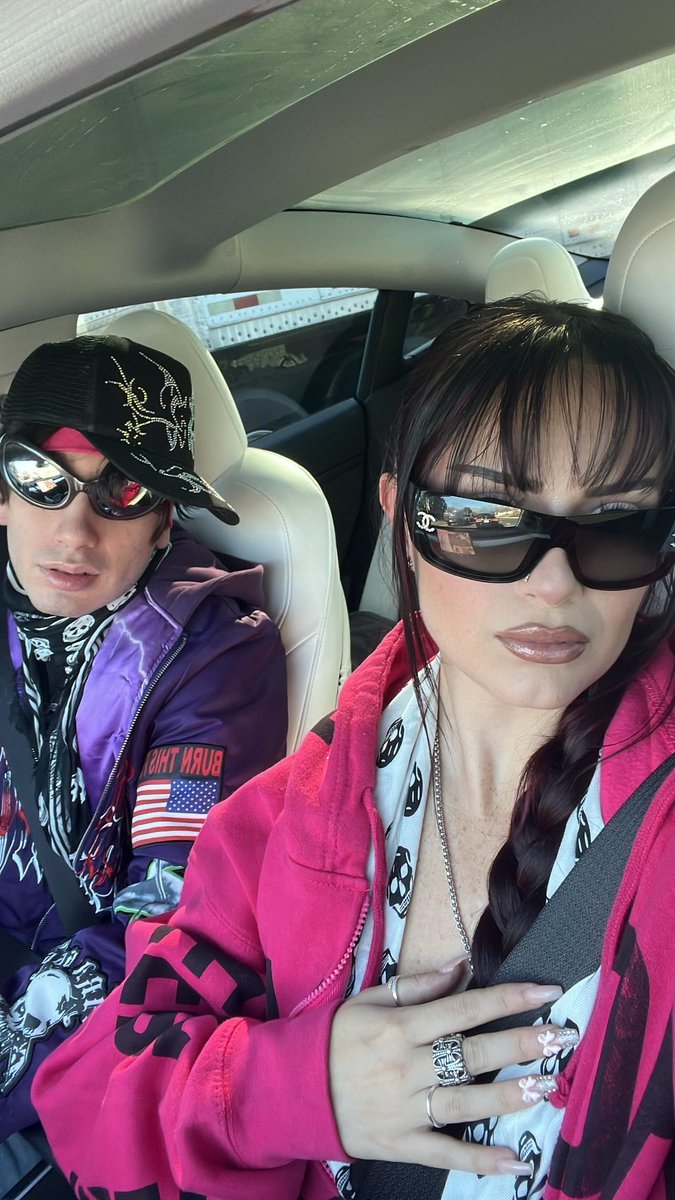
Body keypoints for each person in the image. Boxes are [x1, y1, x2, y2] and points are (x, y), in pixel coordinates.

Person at [32, 298, 675, 1199]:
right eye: (485, 516)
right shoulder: (284, 819)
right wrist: (296, 1088)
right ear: (399, 521)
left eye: (616, 522)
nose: (554, 583)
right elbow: (91, 1097)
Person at [0, 334, 287, 1195]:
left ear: (164, 518)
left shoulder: (211, 657)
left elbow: (164, 911)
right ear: (2, 496)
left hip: (77, 1021)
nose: (75, 531)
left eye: (121, 490)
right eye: (41, 479)